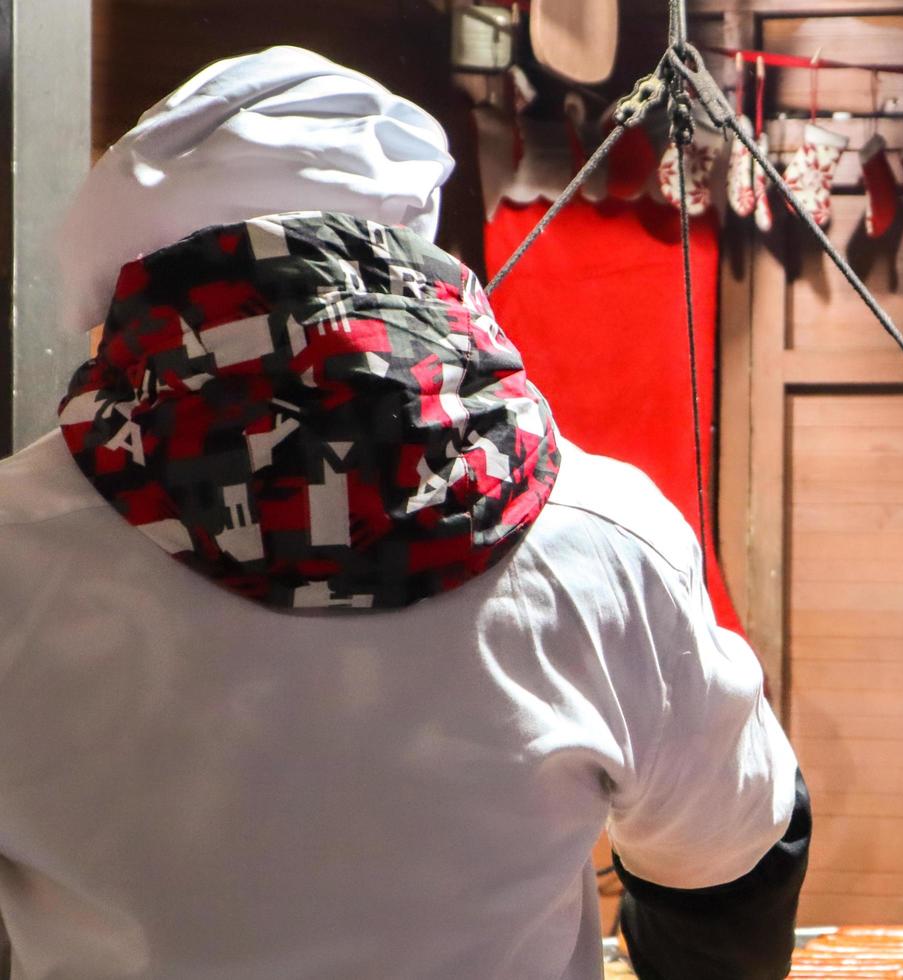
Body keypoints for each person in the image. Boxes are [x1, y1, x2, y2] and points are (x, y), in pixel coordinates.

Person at [0, 47, 806, 980]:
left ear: (124, 299)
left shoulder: (14, 551)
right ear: (418, 263)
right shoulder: (606, 537)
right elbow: (732, 863)